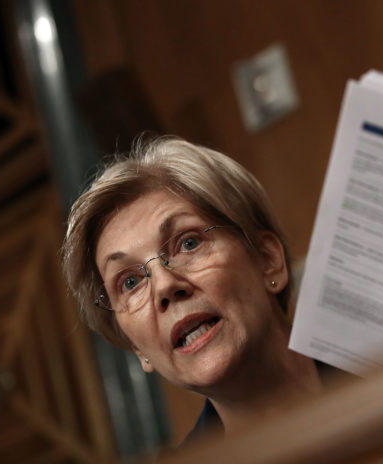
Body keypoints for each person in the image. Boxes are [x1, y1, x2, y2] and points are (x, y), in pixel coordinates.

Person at [61, 136, 323, 437]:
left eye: (188, 243)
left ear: (268, 260)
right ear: (137, 348)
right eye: (130, 282)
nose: (164, 285)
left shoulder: (371, 358)